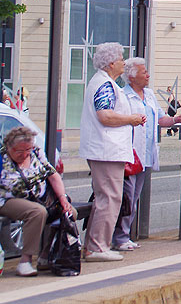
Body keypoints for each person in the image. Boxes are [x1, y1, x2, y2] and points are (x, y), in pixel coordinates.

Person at [79, 42, 146, 262]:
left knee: (107, 197)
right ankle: (98, 246)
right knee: (109, 197)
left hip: (107, 150)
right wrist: (132, 119)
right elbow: (105, 115)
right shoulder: (104, 85)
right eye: (120, 59)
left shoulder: (105, 83)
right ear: (110, 64)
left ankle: (94, 244)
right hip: (106, 150)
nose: (123, 63)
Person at [112, 58, 181, 251]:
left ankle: (124, 235)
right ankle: (120, 237)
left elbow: (160, 118)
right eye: (143, 72)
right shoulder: (123, 96)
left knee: (134, 197)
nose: (148, 75)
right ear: (132, 76)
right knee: (126, 197)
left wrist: (175, 119)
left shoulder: (150, 95)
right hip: (130, 154)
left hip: (145, 154)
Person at [0, 126, 76, 276]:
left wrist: (62, 197)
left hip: (40, 198)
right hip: (9, 199)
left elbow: (53, 175)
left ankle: (45, 256)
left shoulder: (36, 152)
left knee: (69, 212)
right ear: (9, 147)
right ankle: (25, 261)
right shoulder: (2, 158)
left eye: (27, 150)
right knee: (37, 212)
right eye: (19, 151)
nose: (24, 154)